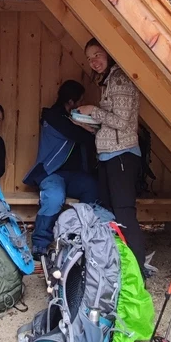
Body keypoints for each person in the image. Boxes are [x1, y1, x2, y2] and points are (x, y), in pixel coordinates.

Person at [76, 38, 149, 279]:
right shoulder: (108, 81)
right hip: (110, 155)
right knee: (110, 212)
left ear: (109, 52)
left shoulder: (119, 78)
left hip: (122, 157)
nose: (94, 62)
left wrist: (91, 111)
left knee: (124, 213)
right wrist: (93, 127)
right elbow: (113, 124)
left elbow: (122, 121)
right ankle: (118, 267)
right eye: (89, 58)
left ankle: (136, 274)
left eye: (97, 55)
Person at [23, 80, 99, 257]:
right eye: (79, 101)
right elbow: (81, 136)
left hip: (74, 176)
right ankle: (40, 244)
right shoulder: (53, 116)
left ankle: (80, 236)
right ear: (71, 102)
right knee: (54, 197)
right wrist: (88, 127)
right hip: (51, 172)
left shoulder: (70, 119)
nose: (80, 106)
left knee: (92, 187)